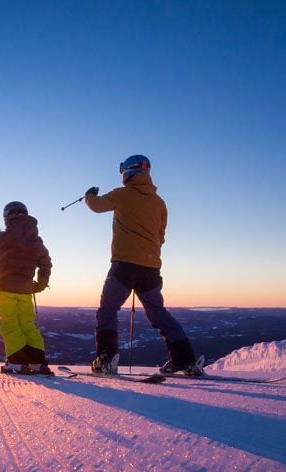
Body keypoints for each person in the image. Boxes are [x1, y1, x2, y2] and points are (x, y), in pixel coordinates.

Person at [83, 154, 203, 375]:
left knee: (107, 310)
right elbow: (161, 236)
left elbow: (97, 206)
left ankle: (106, 359)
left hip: (124, 266)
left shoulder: (121, 195)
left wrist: (89, 195)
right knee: (158, 313)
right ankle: (185, 360)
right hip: (150, 268)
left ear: (128, 172)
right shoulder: (159, 203)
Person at [0, 201, 53, 375]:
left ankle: (16, 362)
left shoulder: (3, 237)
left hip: (5, 288)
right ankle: (37, 362)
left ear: (7, 217)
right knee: (28, 324)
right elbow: (46, 263)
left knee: (10, 324)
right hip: (26, 290)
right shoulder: (35, 239)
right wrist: (40, 284)